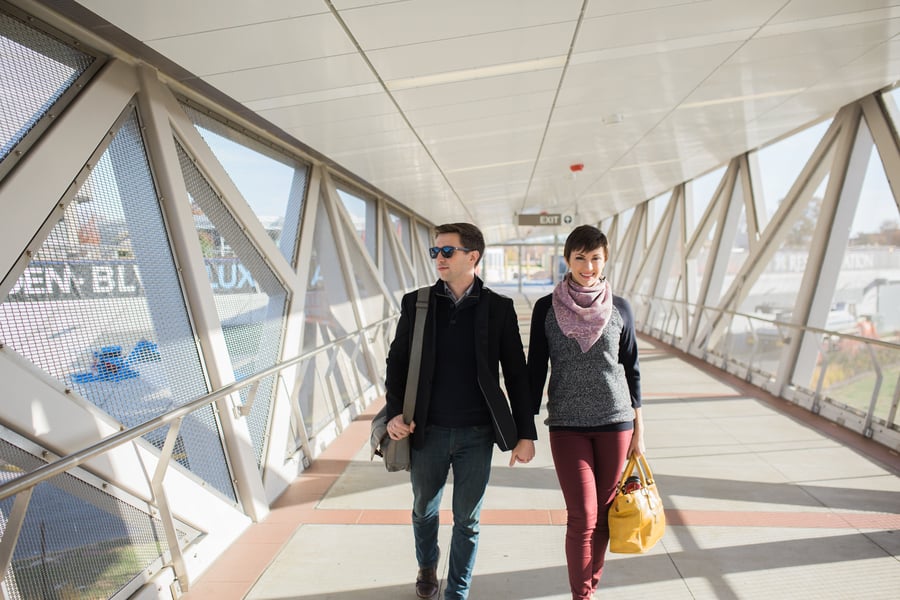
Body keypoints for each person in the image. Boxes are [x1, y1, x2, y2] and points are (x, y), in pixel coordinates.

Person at [383, 222, 537, 600]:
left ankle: (458, 591)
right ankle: (426, 566)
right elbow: (397, 362)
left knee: (467, 520)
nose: (438, 258)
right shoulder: (417, 303)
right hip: (427, 430)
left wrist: (525, 433)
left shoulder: (498, 309)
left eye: (447, 251)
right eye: (435, 251)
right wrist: (393, 413)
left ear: (473, 256)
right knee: (423, 510)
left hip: (477, 433)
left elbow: (516, 373)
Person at [527, 225, 644, 600]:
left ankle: (589, 588)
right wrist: (524, 430)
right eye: (580, 257)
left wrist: (639, 431)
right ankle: (582, 596)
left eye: (595, 258)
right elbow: (535, 369)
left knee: (605, 518)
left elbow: (632, 369)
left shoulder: (621, 308)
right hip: (567, 425)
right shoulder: (546, 308)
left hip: (616, 423)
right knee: (582, 517)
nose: (588, 266)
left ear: (605, 260)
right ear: (567, 259)